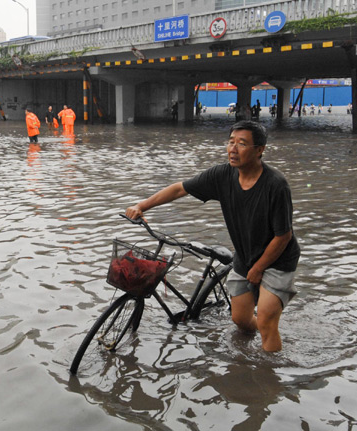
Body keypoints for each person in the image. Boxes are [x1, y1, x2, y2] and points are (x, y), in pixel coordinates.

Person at [125, 121, 300, 352]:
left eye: (242, 144)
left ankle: (271, 375)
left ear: (260, 150)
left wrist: (258, 269)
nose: (233, 149)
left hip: (277, 260)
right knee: (240, 320)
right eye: (231, 142)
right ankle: (260, 343)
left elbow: (283, 237)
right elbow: (180, 189)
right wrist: (141, 206)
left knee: (266, 321)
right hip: (245, 256)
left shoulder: (276, 185)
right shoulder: (222, 175)